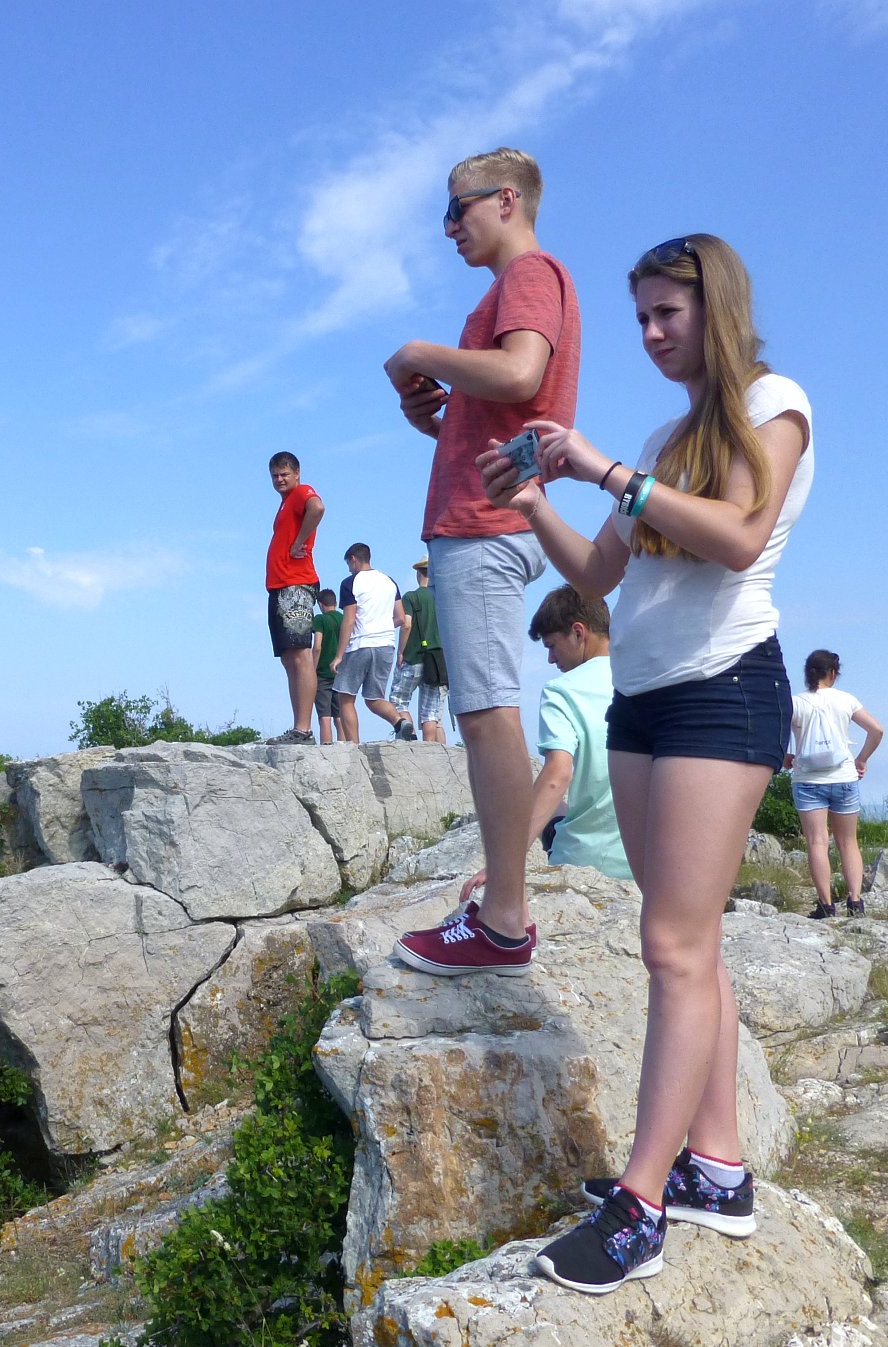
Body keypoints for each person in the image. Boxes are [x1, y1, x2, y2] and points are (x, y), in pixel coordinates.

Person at [478, 233, 813, 1295]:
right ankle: (718, 1170)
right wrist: (535, 500)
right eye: (640, 318)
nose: (651, 334)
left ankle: (640, 1203)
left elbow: (738, 536)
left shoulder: (775, 405)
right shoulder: (667, 437)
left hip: (725, 691)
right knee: (685, 944)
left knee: (672, 945)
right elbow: (598, 571)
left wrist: (606, 470)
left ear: (716, 308)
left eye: (667, 313)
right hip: (643, 700)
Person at [383, 146, 579, 974]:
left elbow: (521, 371)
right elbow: (503, 401)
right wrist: (435, 413)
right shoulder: (516, 286)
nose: (448, 227)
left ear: (506, 200)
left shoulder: (529, 274)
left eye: (456, 208)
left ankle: (502, 924)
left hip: (485, 526)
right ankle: (501, 905)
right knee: (482, 707)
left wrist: (421, 353)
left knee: (488, 711)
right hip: (487, 519)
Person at [526, 586, 632, 880]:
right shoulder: (645, 679)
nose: (551, 659)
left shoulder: (562, 691)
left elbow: (558, 774)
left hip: (585, 859)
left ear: (577, 632)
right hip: (648, 861)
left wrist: (507, 859)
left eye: (551, 645)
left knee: (541, 799)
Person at [787, 649, 884, 918]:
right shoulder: (846, 700)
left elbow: (773, 732)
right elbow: (876, 730)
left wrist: (785, 756)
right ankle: (855, 902)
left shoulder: (796, 703)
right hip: (844, 777)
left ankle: (826, 905)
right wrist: (861, 759)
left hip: (807, 779)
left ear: (807, 673)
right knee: (848, 842)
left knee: (817, 842)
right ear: (833, 673)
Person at [263, 451, 324, 745]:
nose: (279, 479)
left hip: (295, 584)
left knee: (300, 654)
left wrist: (300, 541)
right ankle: (298, 726)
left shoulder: (301, 493)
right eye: (275, 475)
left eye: (284, 474)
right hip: (280, 585)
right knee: (289, 658)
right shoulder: (286, 502)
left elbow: (317, 507)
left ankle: (304, 728)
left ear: (297, 473)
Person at [332, 543, 408, 743]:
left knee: (345, 697)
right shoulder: (389, 581)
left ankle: (354, 746)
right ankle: (400, 722)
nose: (349, 569)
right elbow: (401, 618)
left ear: (353, 559)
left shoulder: (350, 583)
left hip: (360, 644)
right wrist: (382, 625)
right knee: (374, 699)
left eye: (349, 564)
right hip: (386, 645)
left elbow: (349, 620)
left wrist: (339, 656)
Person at [390, 559, 448, 743]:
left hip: (414, 656)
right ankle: (429, 749)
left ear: (418, 574)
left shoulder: (411, 597)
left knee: (398, 700)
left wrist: (401, 652)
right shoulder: (442, 599)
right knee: (430, 711)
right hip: (437, 660)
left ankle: (410, 740)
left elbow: (406, 624)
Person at [311, 589, 344, 744]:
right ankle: (344, 746)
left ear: (320, 604)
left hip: (323, 673)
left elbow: (317, 646)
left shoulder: (320, 619)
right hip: (341, 672)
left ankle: (327, 747)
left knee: (324, 716)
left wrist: (312, 669)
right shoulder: (344, 619)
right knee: (339, 716)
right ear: (335, 603)